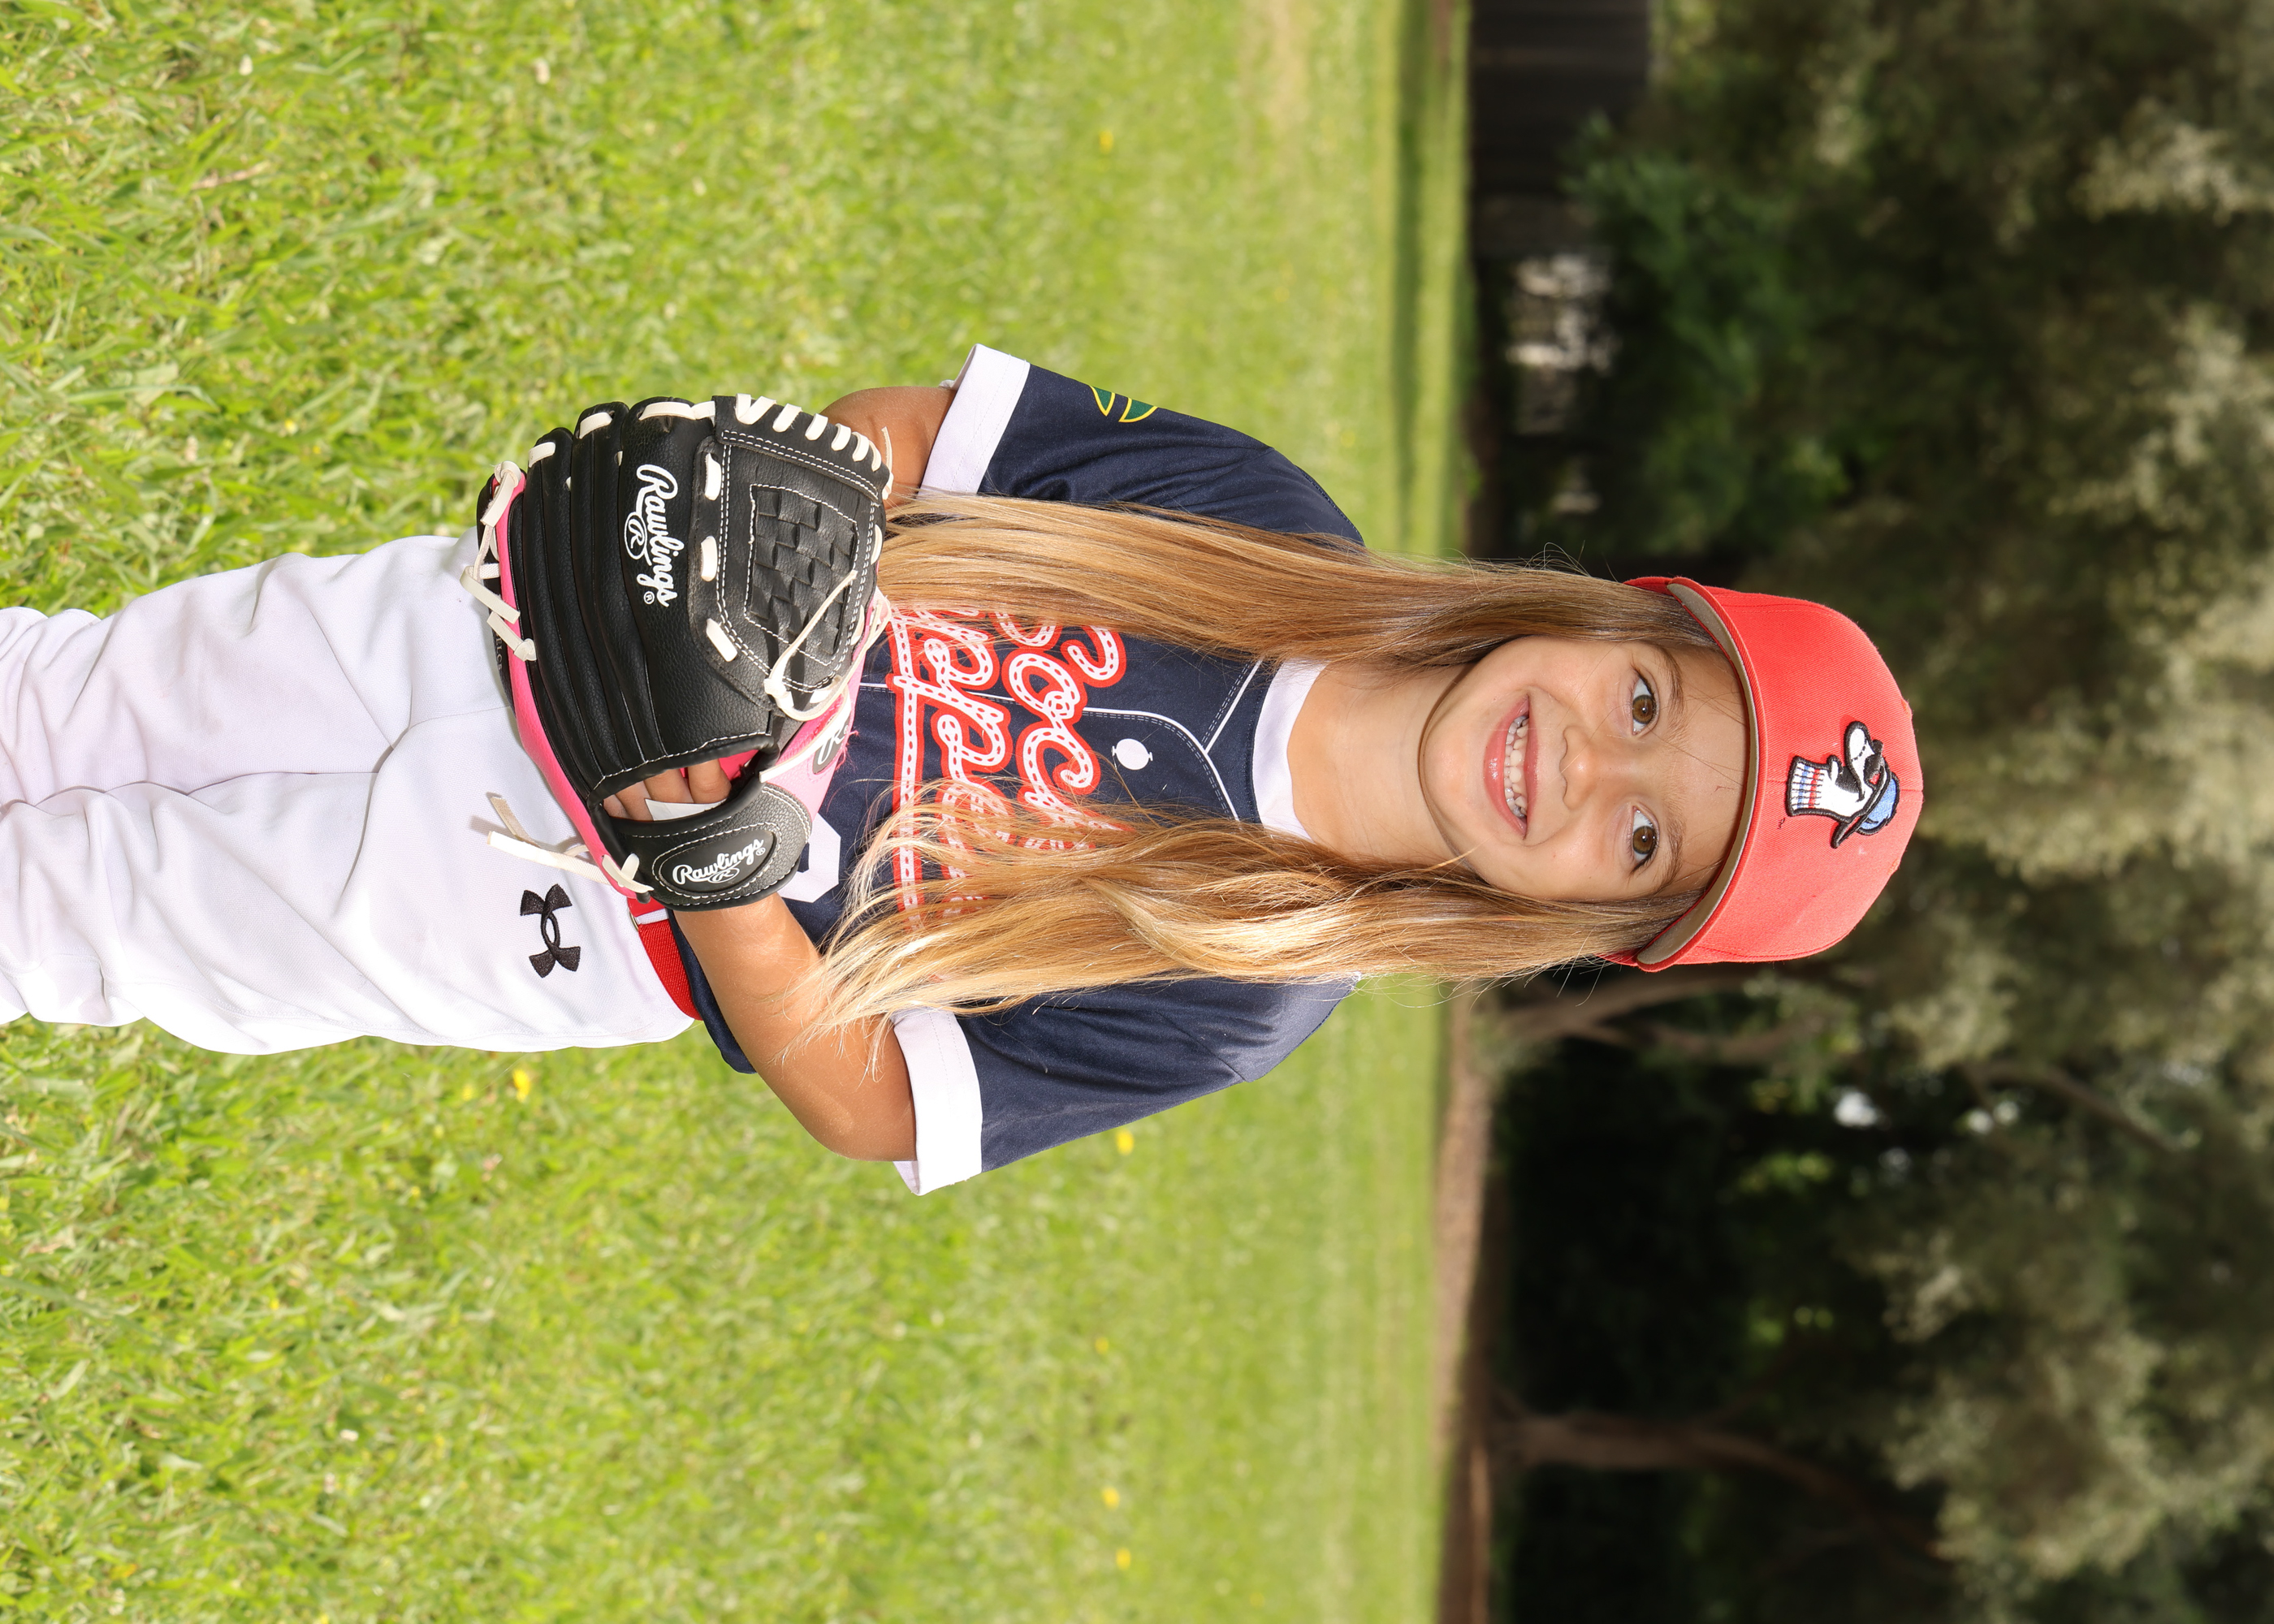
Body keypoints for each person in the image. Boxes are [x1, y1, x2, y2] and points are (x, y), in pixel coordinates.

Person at [0, 345, 1920, 1193]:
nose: (1580, 764)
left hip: (551, 901)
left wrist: (707, 851)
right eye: (1645, 701)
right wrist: (743, 529)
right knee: (70, 695)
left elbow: (869, 1098)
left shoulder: (1242, 989)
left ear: (1585, 918)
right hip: (493, 625)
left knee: (82, 913)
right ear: (1611, 617)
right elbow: (914, 437)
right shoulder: (1265, 522)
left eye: (1640, 835)